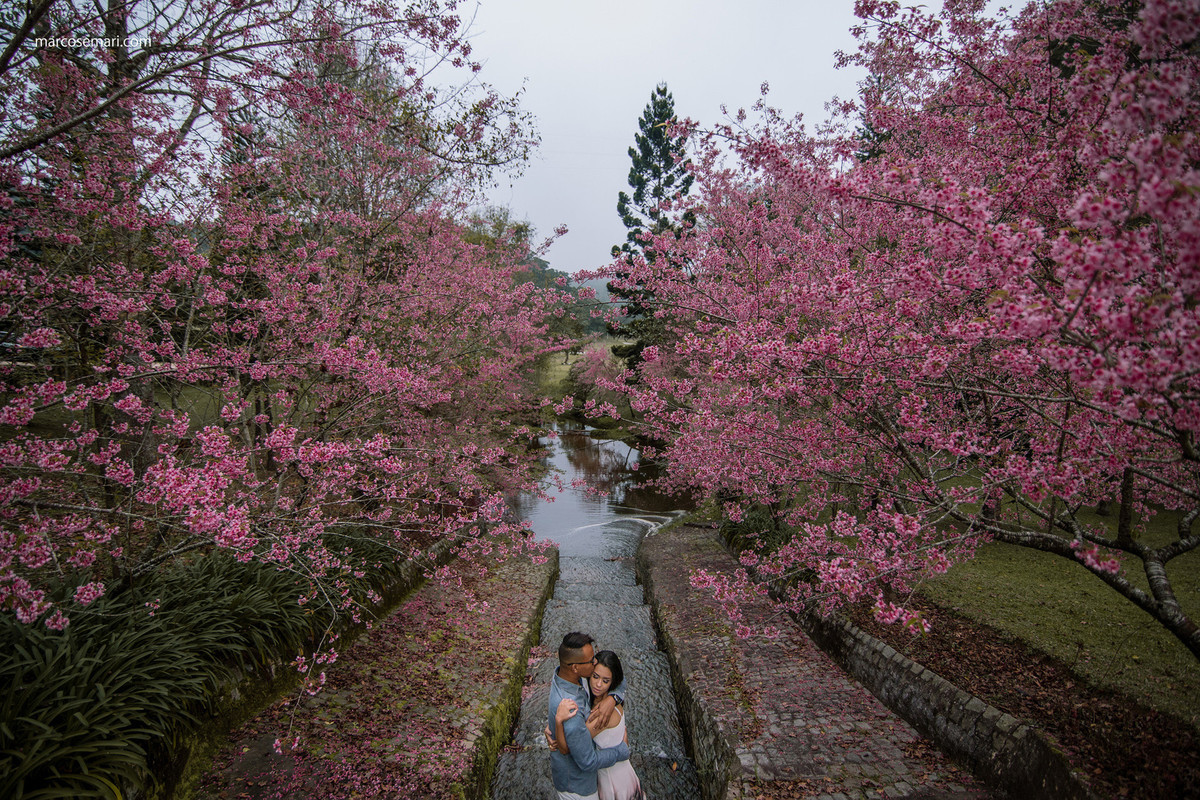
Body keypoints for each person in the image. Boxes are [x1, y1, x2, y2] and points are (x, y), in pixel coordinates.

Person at [553, 649, 646, 800]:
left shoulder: (603, 715)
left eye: (605, 681)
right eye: (595, 676)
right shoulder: (598, 698)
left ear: (612, 682)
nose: (598, 684)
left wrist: (557, 724)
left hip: (614, 780)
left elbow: (571, 745)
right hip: (608, 773)